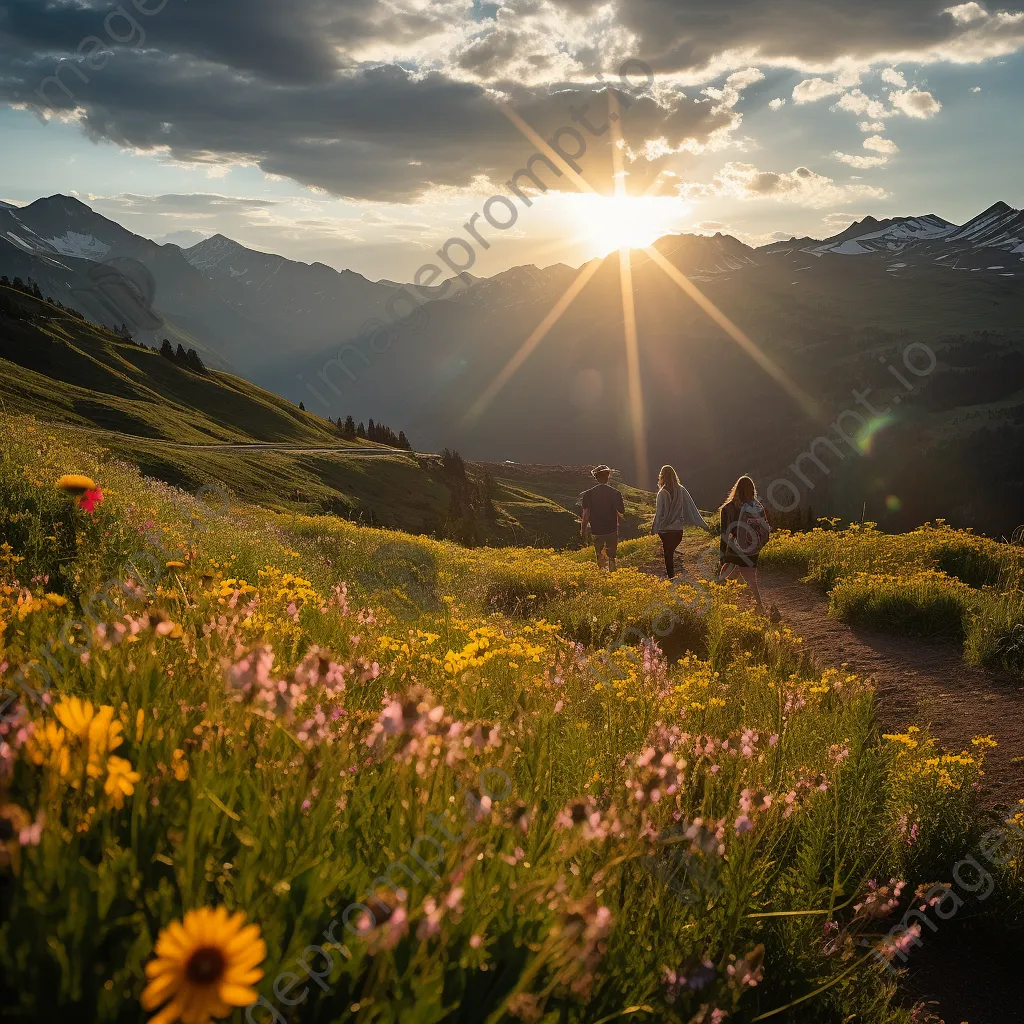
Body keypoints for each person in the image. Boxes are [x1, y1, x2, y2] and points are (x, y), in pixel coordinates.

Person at [717, 474, 769, 611]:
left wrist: (722, 555)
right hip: (752, 549)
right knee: (751, 580)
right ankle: (759, 606)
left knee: (723, 577)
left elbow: (724, 534)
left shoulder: (728, 509)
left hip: (735, 548)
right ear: (752, 490)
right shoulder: (757, 506)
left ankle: (722, 605)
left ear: (736, 489)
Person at [650, 465, 712, 579]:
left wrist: (653, 529)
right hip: (678, 530)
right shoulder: (681, 490)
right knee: (670, 552)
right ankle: (674, 575)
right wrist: (704, 526)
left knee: (668, 554)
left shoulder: (662, 493)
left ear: (662, 476)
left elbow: (659, 514)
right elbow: (692, 509)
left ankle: (672, 577)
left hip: (665, 530)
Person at [580, 465, 625, 570]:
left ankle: (601, 578)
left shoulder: (588, 494)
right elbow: (621, 511)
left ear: (596, 477)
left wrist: (583, 531)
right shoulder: (616, 493)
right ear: (608, 476)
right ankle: (612, 577)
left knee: (599, 556)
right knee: (612, 557)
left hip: (596, 530)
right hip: (612, 530)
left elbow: (585, 515)